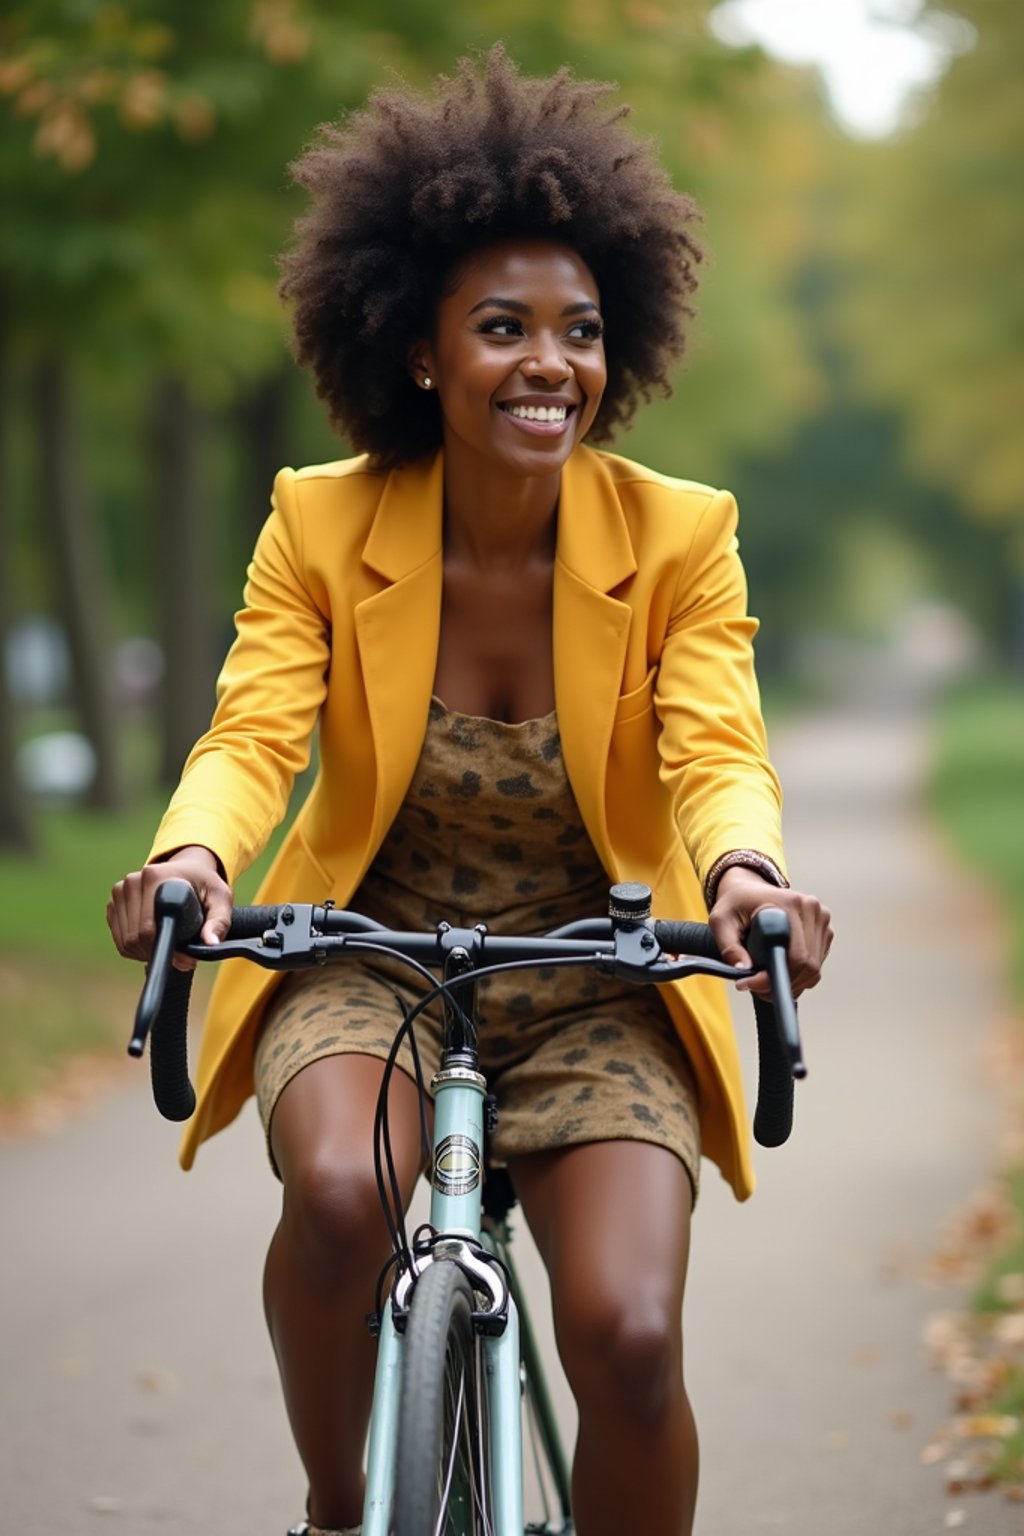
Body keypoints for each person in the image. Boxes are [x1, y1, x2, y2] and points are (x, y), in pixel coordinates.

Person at [108, 46, 832, 1536]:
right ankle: (339, 1507)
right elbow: (254, 731)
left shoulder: (682, 536)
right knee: (335, 1202)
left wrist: (748, 877)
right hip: (365, 955)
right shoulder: (322, 521)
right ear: (425, 349)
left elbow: (713, 746)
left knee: (630, 1341)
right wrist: (190, 857)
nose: (549, 364)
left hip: (601, 971)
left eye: (578, 330)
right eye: (504, 327)